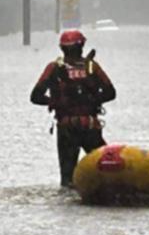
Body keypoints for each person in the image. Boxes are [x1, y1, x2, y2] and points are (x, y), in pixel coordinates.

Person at [31, 30, 116, 187]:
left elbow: (35, 96)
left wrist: (54, 102)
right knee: (106, 167)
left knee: (67, 177)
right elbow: (111, 93)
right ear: (82, 46)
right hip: (90, 126)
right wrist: (92, 101)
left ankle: (71, 201)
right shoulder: (91, 67)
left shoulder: (54, 68)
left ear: (62, 48)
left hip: (66, 128)